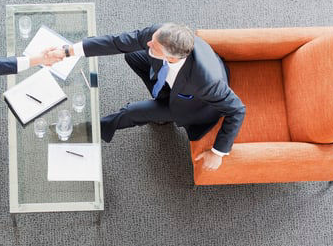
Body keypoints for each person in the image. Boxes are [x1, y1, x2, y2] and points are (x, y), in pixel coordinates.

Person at [52, 23, 245, 171]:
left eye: (154, 46)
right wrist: (68, 51)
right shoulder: (160, 34)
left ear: (171, 58)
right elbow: (116, 42)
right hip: (176, 84)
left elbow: (237, 109)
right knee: (132, 55)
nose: (148, 43)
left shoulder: (206, 82)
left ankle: (89, 131)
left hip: (192, 106)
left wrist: (218, 152)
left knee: (131, 112)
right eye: (152, 39)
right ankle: (160, 103)